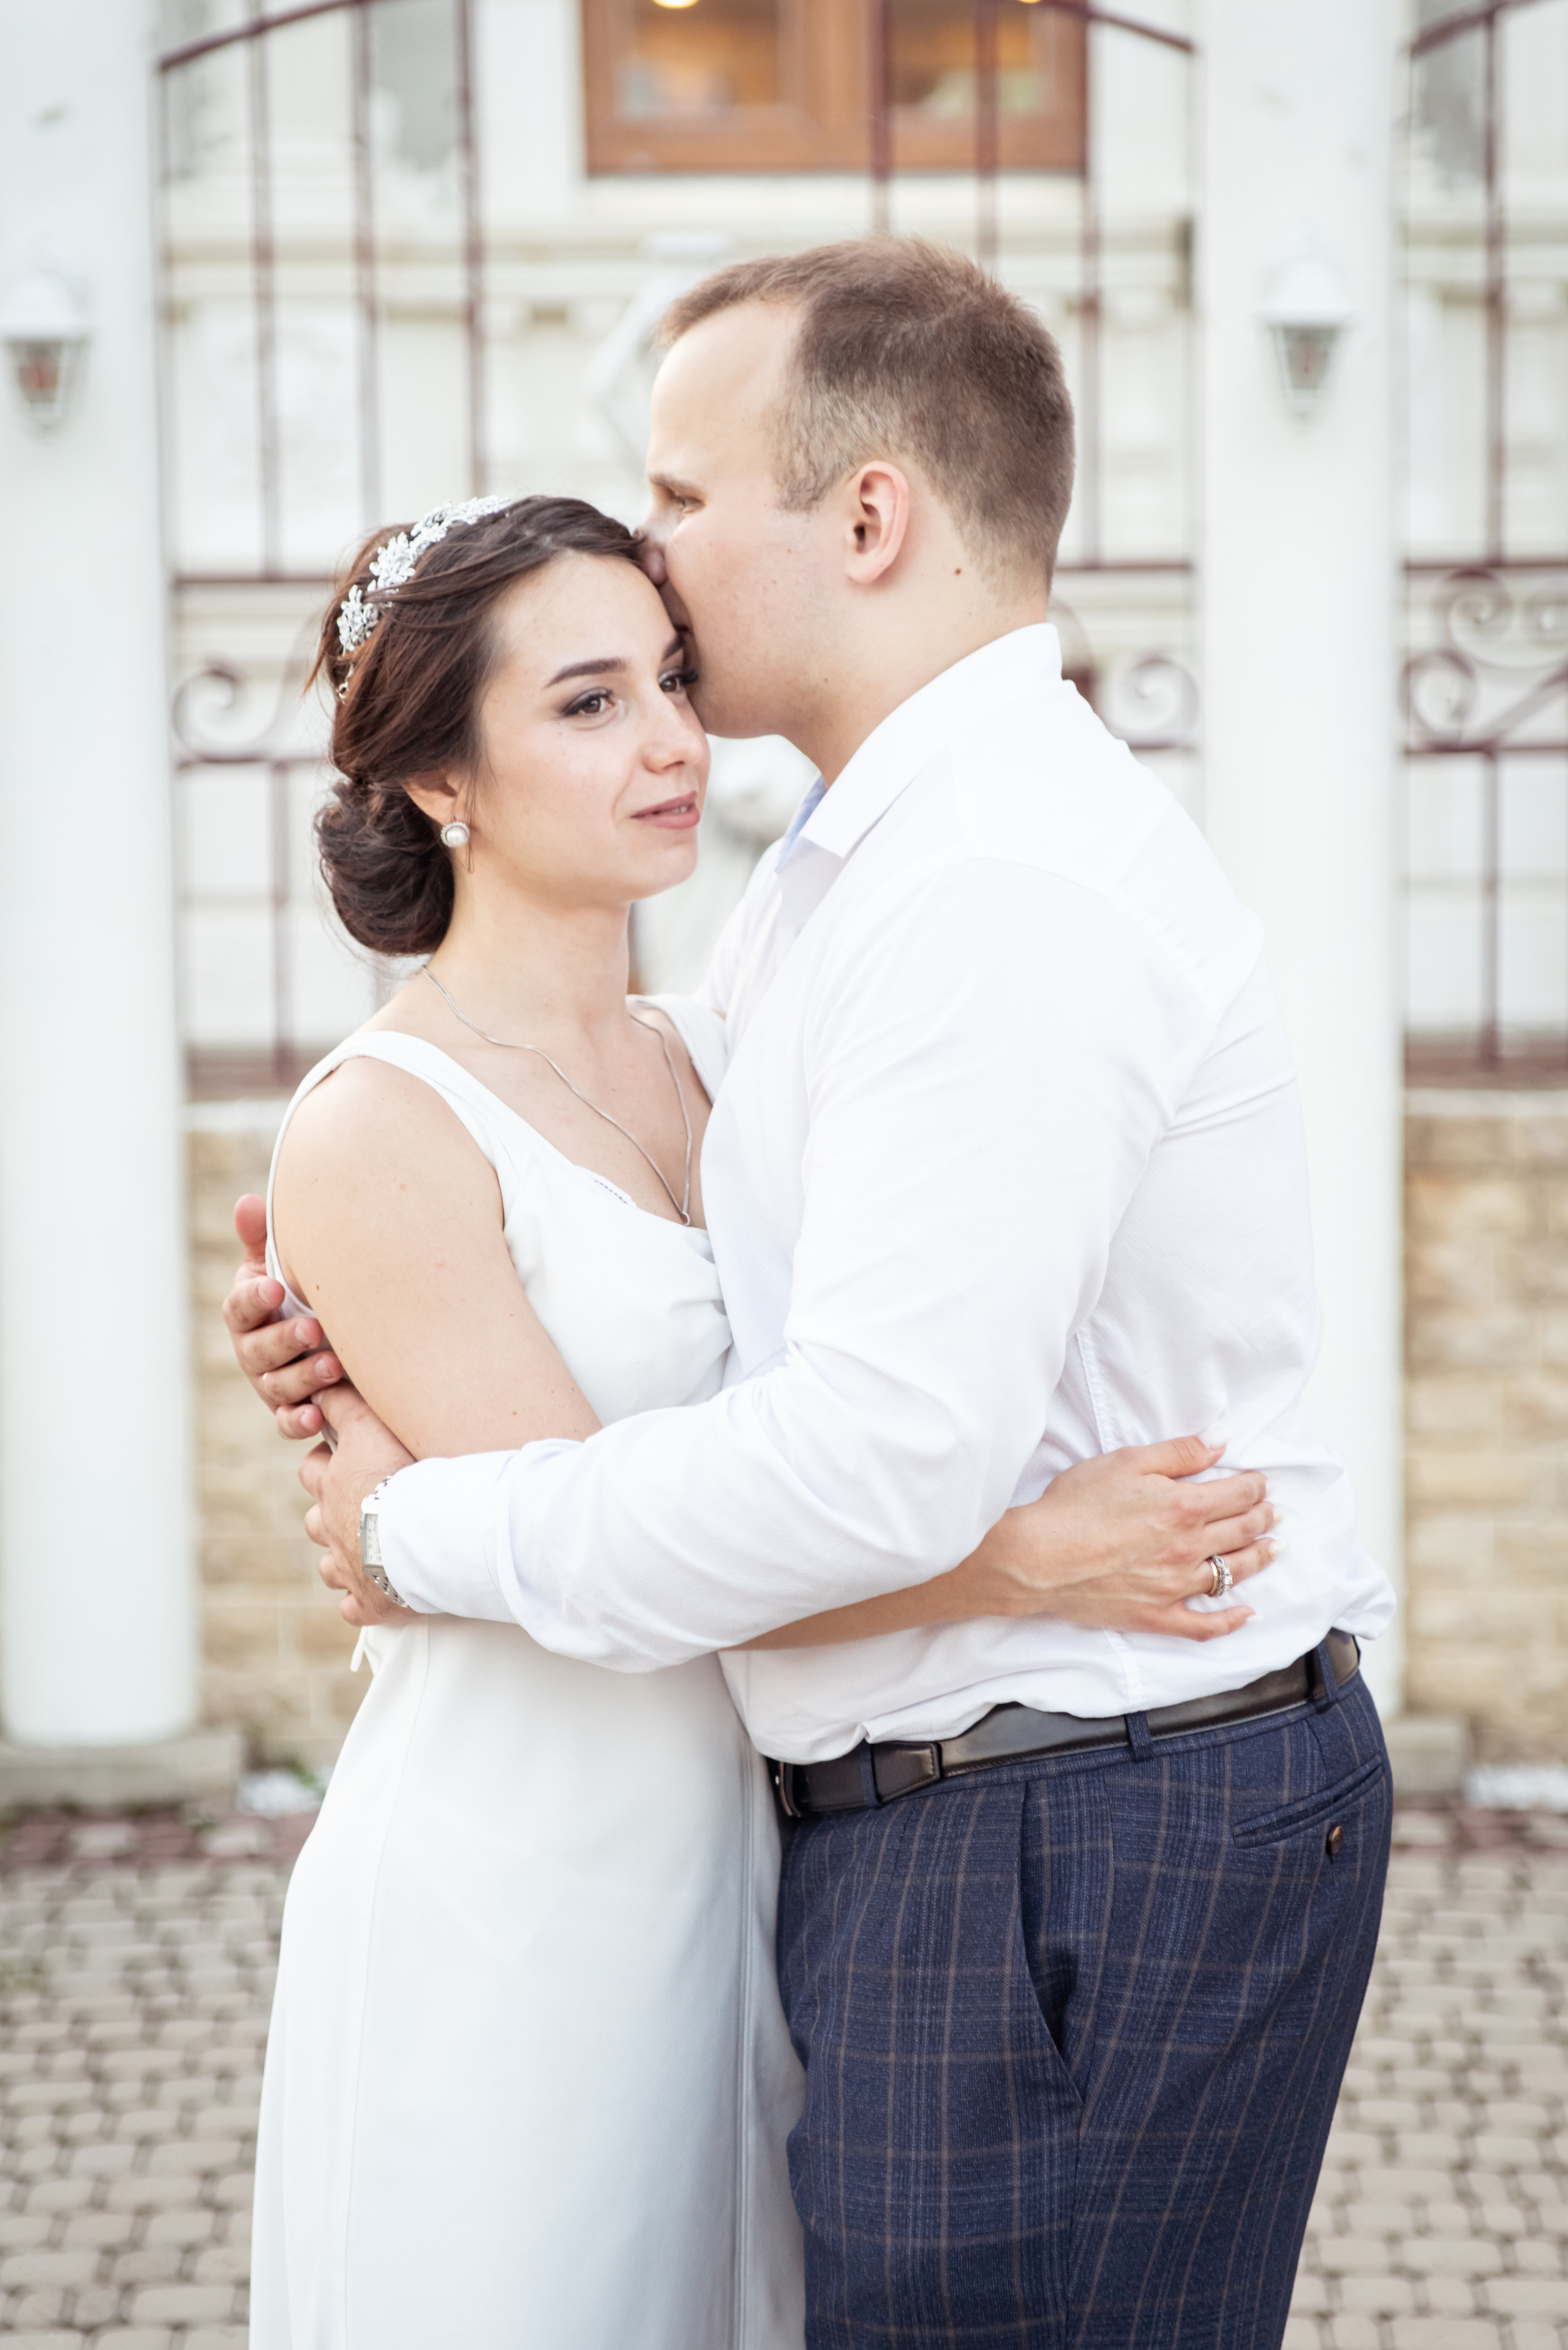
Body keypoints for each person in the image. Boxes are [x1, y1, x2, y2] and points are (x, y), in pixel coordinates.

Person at [230, 239, 1395, 2349]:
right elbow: (727, 1366)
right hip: (643, 1863)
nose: (664, 599)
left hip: (1047, 1821)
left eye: (679, 498)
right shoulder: (820, 907)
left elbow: (857, 1455)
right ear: (441, 780)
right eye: (590, 693)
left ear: (870, 518)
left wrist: (420, 1527)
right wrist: (366, 1359)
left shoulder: (967, 895)